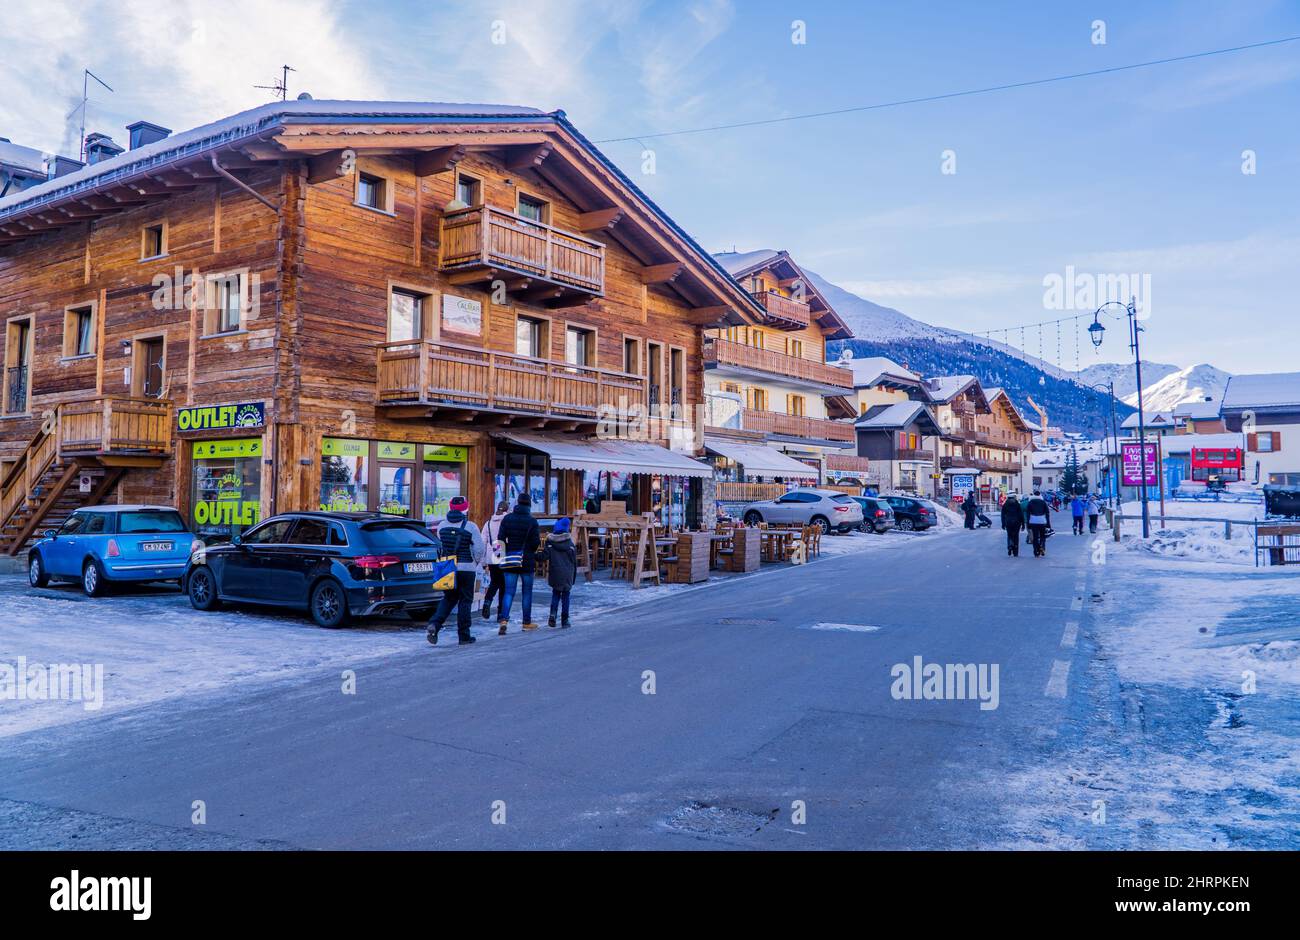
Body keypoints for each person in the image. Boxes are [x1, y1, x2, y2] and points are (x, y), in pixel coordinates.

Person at [427, 496, 485, 646]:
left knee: (448, 599)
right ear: (466, 509)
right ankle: (464, 636)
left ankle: (435, 624)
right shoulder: (471, 526)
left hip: (448, 568)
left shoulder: (441, 526)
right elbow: (479, 549)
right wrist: (475, 561)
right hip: (467, 568)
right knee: (465, 601)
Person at [497, 493, 541, 634]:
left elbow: (500, 539)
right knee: (526, 592)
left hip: (510, 559)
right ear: (529, 505)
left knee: (509, 592)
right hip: (527, 560)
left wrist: (502, 555)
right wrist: (528, 551)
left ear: (517, 503)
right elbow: (535, 543)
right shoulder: (532, 521)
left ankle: (504, 620)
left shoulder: (507, 519)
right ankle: (526, 622)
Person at [543, 516, 578, 628]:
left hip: (555, 572)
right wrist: (573, 577)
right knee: (566, 596)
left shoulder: (550, 543)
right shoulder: (570, 545)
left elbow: (545, 556)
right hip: (567, 573)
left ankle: (553, 614)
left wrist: (532, 556)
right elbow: (574, 562)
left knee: (556, 593)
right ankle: (565, 619)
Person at [480, 499, 509, 621]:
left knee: (494, 582)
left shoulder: (488, 523)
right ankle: (500, 614)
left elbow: (483, 542)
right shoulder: (507, 521)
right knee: (503, 585)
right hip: (503, 552)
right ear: (507, 510)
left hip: (492, 554)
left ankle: (487, 602)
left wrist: (483, 562)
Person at [1026, 490, 1052, 557]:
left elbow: (1028, 513)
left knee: (1035, 537)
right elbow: (1047, 513)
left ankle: (1036, 551)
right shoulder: (1043, 502)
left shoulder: (1030, 502)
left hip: (1033, 521)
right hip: (1042, 521)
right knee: (1043, 536)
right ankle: (1042, 547)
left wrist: (1028, 523)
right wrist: (1048, 523)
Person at [1000, 491, 1024, 557]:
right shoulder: (1017, 504)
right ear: (1014, 497)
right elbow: (1021, 514)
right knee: (1016, 536)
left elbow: (1002, 515)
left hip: (1008, 521)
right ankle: (1015, 550)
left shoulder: (1005, 504)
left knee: (1009, 534)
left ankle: (1010, 545)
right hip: (1017, 522)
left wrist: (1003, 523)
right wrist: (1023, 524)